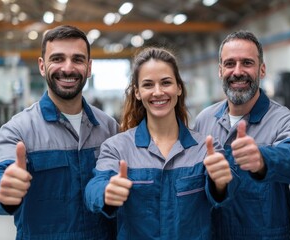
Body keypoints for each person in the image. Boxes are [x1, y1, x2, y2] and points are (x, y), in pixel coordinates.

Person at [85, 47, 236, 239]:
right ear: (137, 92)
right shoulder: (117, 147)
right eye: (148, 85)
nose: (158, 92)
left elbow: (227, 193)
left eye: (166, 82)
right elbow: (93, 187)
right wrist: (106, 192)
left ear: (179, 88)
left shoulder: (206, 148)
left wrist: (221, 183)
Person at [0, 25, 118, 239]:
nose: (68, 68)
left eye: (78, 59)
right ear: (42, 66)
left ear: (89, 67)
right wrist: (2, 189)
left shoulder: (108, 127)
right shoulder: (19, 130)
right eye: (57, 59)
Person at [193, 30, 290, 239]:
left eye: (247, 63)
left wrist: (263, 159)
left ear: (262, 69)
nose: (237, 71)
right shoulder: (204, 120)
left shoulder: (285, 120)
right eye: (229, 64)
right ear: (220, 71)